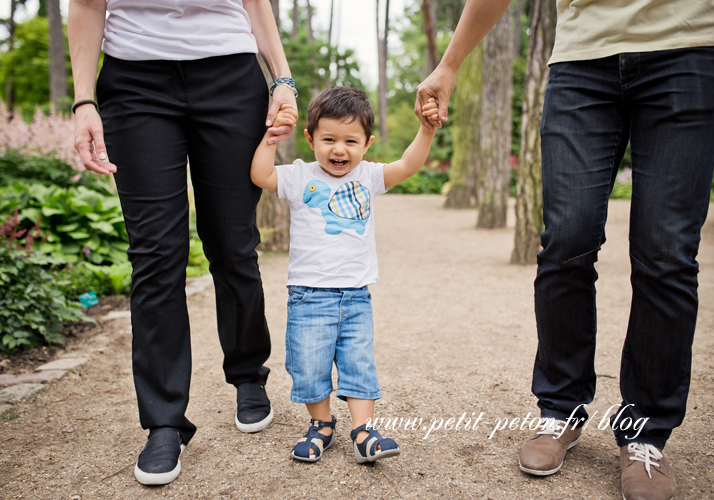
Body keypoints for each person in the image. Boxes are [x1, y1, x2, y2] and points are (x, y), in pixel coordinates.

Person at [416, 1, 714, 499]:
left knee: (666, 252)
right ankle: (560, 409)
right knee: (566, 240)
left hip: (688, 51)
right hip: (583, 58)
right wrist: (449, 63)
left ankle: (646, 432)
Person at [67, 0, 296, 486]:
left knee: (233, 243)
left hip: (231, 76)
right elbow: (87, 3)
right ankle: (164, 421)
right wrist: (83, 100)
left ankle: (248, 373)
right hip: (134, 81)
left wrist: (282, 79)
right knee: (155, 256)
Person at [251, 86, 440, 463]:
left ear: (367, 144)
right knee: (309, 365)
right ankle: (321, 425)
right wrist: (271, 138)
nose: (340, 150)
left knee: (359, 363)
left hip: (355, 295)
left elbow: (407, 166)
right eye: (329, 140)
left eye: (351, 141)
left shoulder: (368, 176)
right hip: (308, 295)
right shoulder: (299, 175)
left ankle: (364, 431)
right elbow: (260, 175)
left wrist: (427, 130)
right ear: (311, 139)